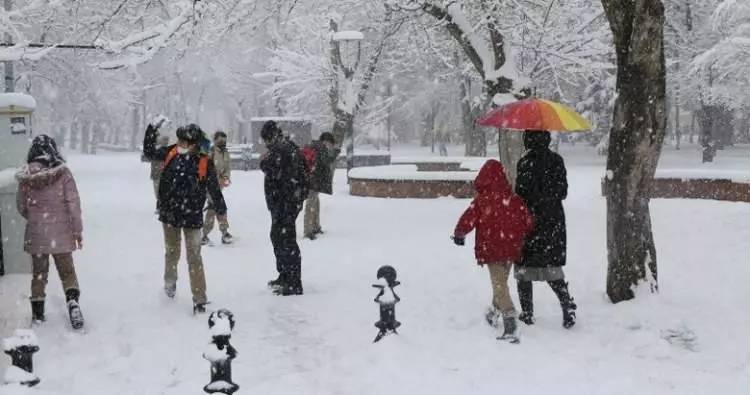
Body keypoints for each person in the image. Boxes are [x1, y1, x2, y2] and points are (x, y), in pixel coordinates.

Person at [143, 122, 227, 314]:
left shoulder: (204, 161)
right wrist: (151, 129)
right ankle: (169, 285)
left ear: (194, 143)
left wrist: (221, 210)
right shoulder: (171, 152)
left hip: (192, 217)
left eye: (184, 141)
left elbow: (213, 188)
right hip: (170, 214)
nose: (180, 143)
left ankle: (199, 299)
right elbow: (149, 151)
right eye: (179, 139)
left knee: (194, 257)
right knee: (172, 252)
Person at [453, 160, 533, 343]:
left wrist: (459, 233)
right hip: (511, 248)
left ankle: (510, 322)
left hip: (492, 248)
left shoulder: (482, 201)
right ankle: (494, 312)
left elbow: (468, 219)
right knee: (501, 283)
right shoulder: (514, 199)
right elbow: (528, 222)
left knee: (499, 285)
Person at [16, 135, 85, 329]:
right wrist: (77, 230)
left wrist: (35, 218)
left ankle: (38, 313)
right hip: (61, 233)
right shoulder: (63, 174)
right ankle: (73, 303)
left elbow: (21, 206)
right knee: (67, 271)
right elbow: (74, 204)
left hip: (37, 234)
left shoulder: (26, 177)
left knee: (39, 274)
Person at [515, 130, 577, 329]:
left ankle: (527, 313)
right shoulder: (556, 160)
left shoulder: (524, 163)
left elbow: (520, 192)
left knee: (524, 267)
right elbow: (563, 191)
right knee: (551, 266)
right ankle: (567, 304)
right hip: (552, 220)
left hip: (529, 220)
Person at [260, 121, 309, 296]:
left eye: (266, 139)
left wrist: (264, 161)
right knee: (278, 237)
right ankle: (285, 275)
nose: (265, 143)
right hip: (284, 202)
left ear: (272, 135)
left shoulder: (283, 149)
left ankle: (294, 281)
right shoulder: (285, 148)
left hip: (285, 203)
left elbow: (268, 167)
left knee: (286, 240)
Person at [302, 132, 340, 240]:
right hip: (314, 180)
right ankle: (308, 230)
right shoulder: (320, 147)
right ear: (326, 141)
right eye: (331, 144)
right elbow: (326, 161)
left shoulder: (316, 146)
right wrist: (335, 152)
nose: (330, 146)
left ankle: (315, 226)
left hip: (314, 179)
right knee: (311, 205)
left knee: (315, 203)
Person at [202, 131, 233, 245]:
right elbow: (207, 169)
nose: (222, 143)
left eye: (224, 141)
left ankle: (204, 235)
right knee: (218, 207)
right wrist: (215, 179)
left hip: (219, 186)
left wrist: (225, 177)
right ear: (215, 141)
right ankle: (223, 233)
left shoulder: (225, 153)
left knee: (214, 208)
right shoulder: (210, 152)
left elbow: (227, 167)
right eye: (220, 140)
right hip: (210, 186)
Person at [150, 134, 170, 209]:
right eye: (164, 140)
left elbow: (153, 163)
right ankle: (161, 205)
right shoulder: (169, 152)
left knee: (158, 191)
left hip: (159, 175)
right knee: (161, 191)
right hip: (161, 175)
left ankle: (160, 205)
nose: (165, 142)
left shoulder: (158, 152)